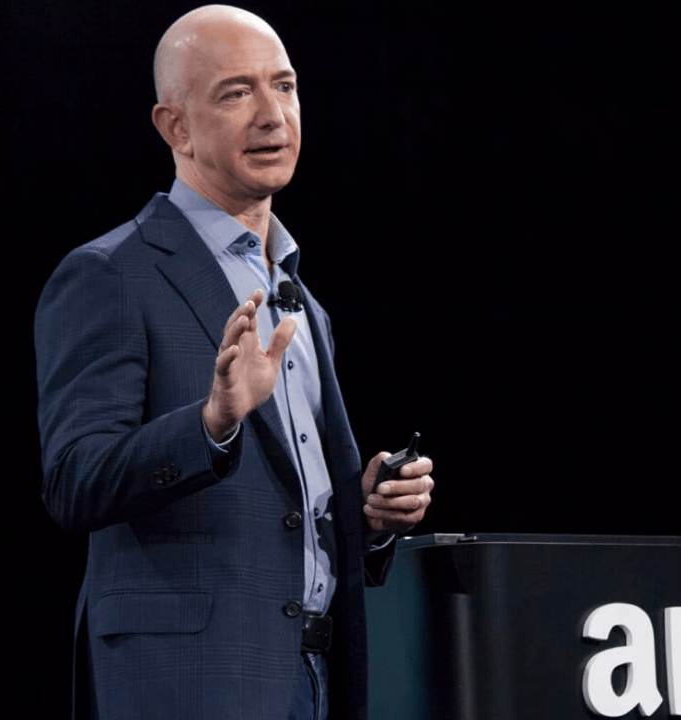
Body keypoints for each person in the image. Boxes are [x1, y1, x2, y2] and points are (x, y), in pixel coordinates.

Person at [34, 6, 434, 719]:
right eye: (236, 93)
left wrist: (365, 513)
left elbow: (280, 511)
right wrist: (212, 423)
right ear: (176, 128)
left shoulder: (303, 301)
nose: (272, 115)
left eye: (284, 86)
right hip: (188, 683)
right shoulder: (111, 274)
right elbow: (74, 481)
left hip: (312, 675)